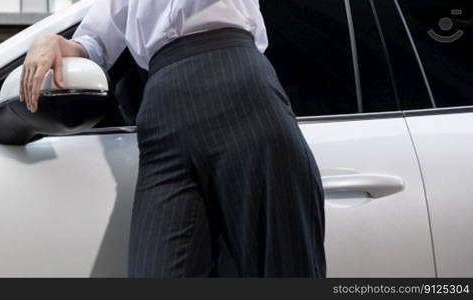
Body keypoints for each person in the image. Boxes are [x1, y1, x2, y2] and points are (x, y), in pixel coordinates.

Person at [19, 0, 326, 277]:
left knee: (283, 266)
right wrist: (55, 43)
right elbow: (96, 42)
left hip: (236, 80)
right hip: (162, 106)